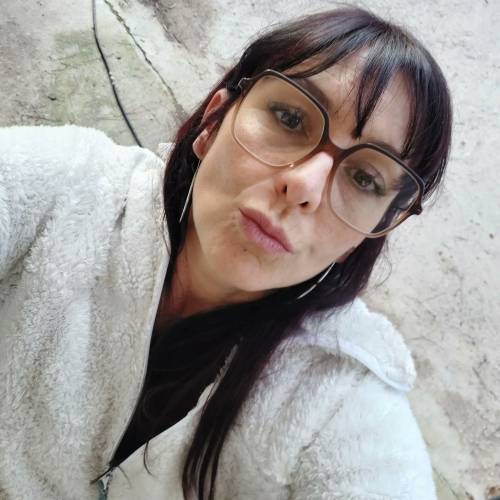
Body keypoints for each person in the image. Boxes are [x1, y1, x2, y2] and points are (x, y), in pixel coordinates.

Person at [0, 6, 452, 500]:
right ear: (214, 121)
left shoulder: (341, 397)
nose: (304, 185)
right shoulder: (68, 189)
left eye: (364, 179)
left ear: (364, 236)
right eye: (290, 118)